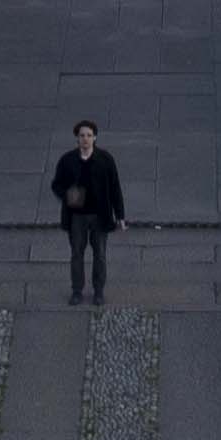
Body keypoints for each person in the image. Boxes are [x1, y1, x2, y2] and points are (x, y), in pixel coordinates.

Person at [52, 118, 126, 303]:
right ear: (77, 138)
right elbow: (57, 185)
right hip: (77, 216)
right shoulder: (67, 160)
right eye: (82, 135)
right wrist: (70, 196)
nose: (85, 139)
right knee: (77, 253)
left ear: (95, 137)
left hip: (99, 215)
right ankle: (77, 290)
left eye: (89, 135)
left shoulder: (105, 159)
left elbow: (115, 188)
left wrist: (120, 216)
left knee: (99, 254)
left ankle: (98, 291)